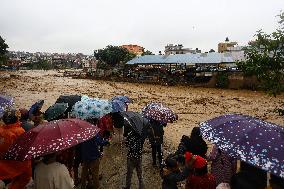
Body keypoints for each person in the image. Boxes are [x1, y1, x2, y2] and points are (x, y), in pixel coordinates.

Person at [0, 109, 32, 189]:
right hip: (17, 167)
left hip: (2, 168)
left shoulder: (1, 130)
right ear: (17, 119)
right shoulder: (19, 131)